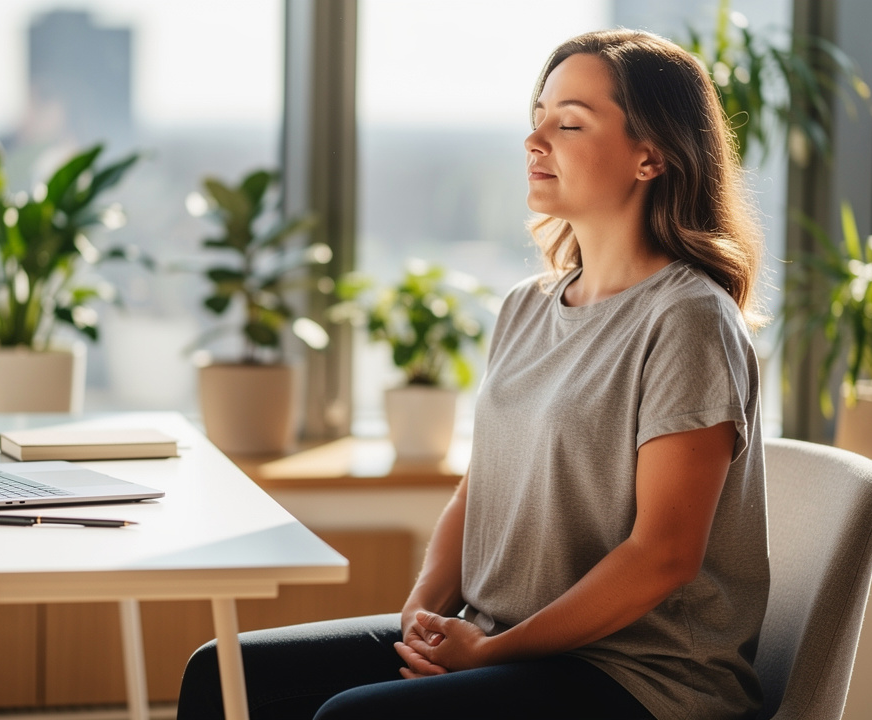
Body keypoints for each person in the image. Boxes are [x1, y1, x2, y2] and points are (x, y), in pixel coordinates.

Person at [178, 27, 768, 720]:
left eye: (570, 122)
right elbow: (477, 487)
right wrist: (422, 614)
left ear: (651, 156)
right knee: (222, 677)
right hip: (501, 639)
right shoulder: (526, 306)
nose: (535, 139)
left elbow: (663, 556)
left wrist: (495, 653)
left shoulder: (689, 319)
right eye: (536, 117)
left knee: (354, 717)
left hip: (640, 677)